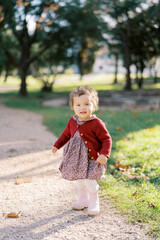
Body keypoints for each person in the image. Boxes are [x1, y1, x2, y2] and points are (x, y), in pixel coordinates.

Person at [52, 86, 112, 216]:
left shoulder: (96, 123)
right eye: (78, 105)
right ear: (73, 107)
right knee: (78, 179)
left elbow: (106, 139)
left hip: (91, 158)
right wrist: (57, 145)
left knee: (90, 180)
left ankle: (94, 202)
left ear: (94, 105)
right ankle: (83, 200)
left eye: (86, 104)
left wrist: (104, 154)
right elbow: (66, 135)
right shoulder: (72, 121)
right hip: (75, 158)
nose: (82, 108)